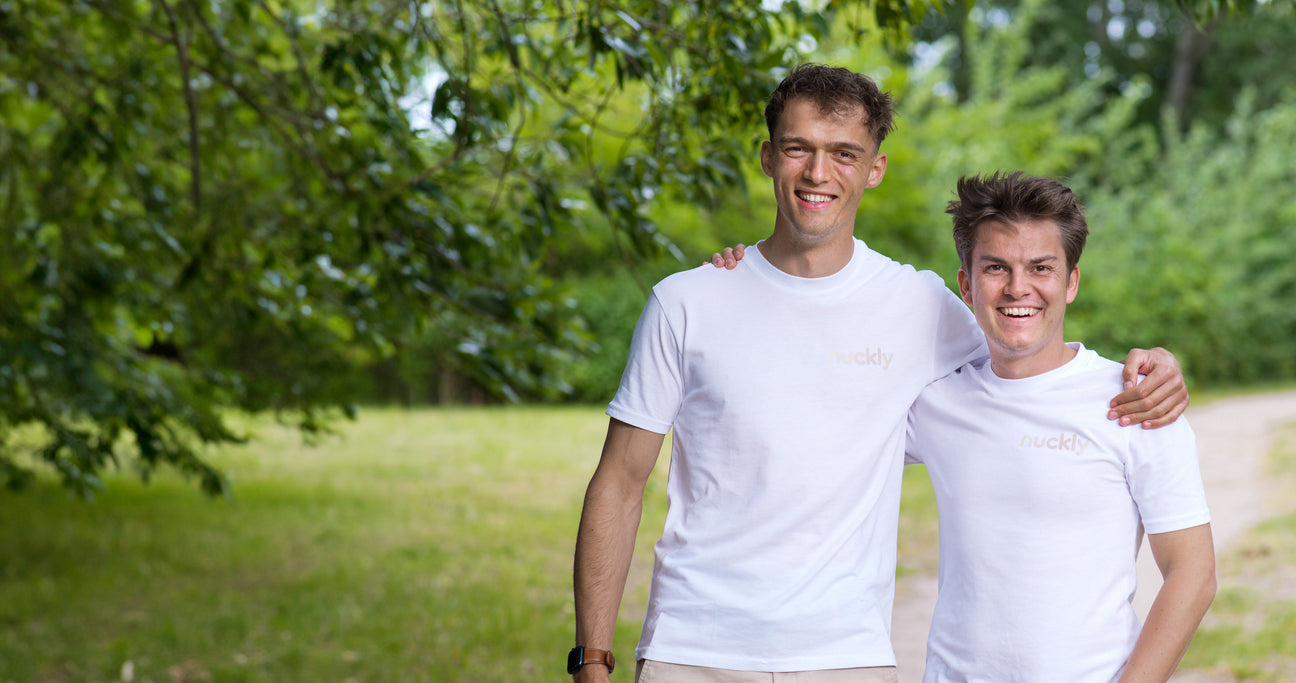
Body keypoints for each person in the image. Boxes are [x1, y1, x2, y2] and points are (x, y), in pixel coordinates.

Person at [571, 64, 1188, 683]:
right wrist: (592, 659)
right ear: (768, 157)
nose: (818, 173)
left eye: (844, 153)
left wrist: (1156, 367)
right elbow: (620, 482)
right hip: (693, 651)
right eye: (798, 148)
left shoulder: (919, 304)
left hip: (848, 657)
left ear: (875, 169)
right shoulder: (689, 302)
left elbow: (1027, 350)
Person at [903, 172, 1215, 682]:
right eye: (996, 267)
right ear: (967, 284)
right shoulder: (935, 404)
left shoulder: (1137, 402)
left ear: (1071, 282)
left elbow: (1192, 574)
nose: (1017, 288)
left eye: (1041, 267)